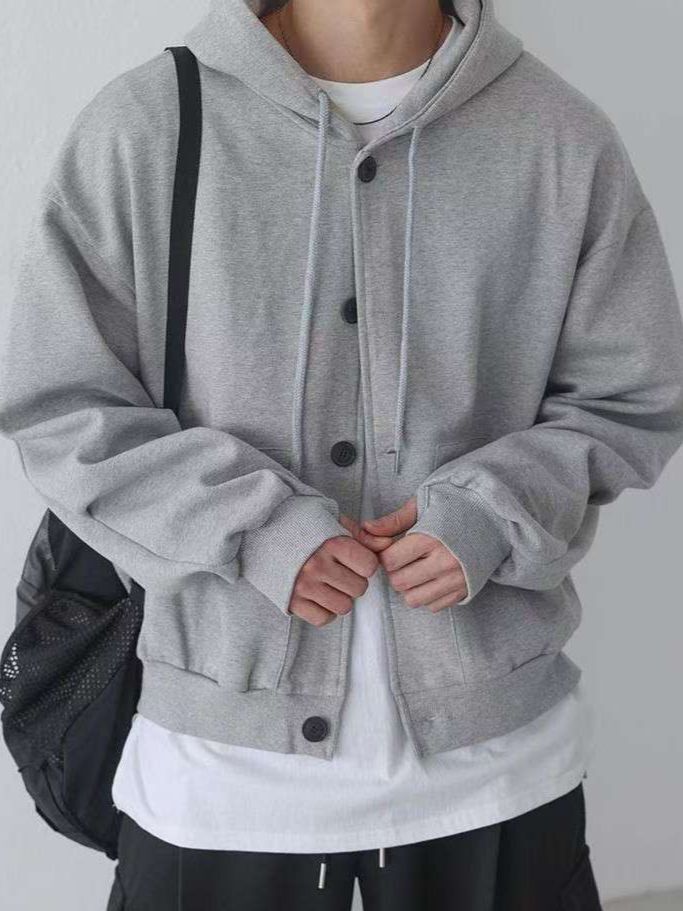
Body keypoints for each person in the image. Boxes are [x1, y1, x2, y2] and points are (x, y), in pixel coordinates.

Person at [1, 0, 682, 908]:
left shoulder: (560, 136)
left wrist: (493, 512)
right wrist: (253, 529)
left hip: (497, 776)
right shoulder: (149, 124)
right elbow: (61, 404)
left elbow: (632, 396)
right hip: (220, 782)